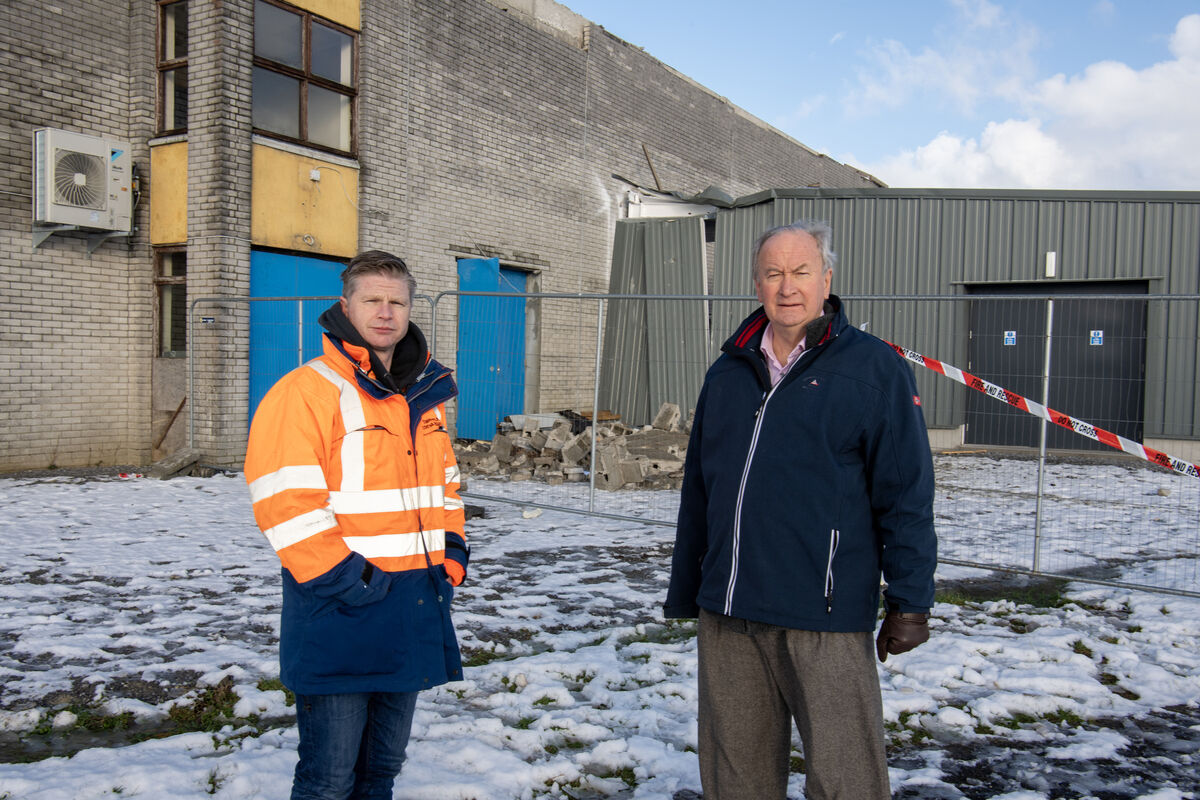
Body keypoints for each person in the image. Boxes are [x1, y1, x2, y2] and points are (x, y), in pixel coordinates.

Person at [664, 220, 937, 800]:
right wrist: (691, 585)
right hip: (731, 614)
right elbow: (700, 490)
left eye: (801, 271)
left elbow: (905, 492)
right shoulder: (728, 372)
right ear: (757, 284)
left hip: (824, 616)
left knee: (847, 782)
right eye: (773, 273)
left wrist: (910, 602)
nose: (788, 286)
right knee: (735, 781)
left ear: (826, 278)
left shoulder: (872, 369)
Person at [245, 250, 468, 800]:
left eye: (397, 301)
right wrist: (350, 581)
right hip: (340, 606)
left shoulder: (423, 395)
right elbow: (284, 504)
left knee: (382, 772)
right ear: (346, 306)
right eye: (372, 299)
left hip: (414, 601)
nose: (386, 311)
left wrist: (454, 553)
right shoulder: (305, 392)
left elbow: (446, 485)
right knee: (329, 777)